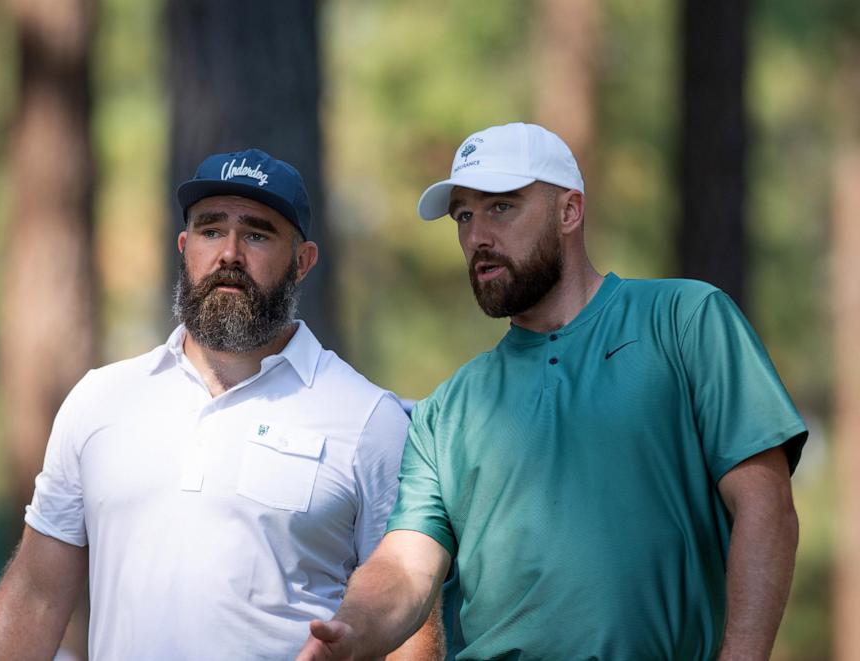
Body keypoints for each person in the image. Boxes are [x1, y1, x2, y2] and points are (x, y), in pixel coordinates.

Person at [299, 123, 808, 661]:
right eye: (464, 216)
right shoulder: (448, 409)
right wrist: (353, 631)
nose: (477, 237)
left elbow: (766, 506)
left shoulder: (685, 320)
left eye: (501, 207)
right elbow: (406, 566)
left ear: (569, 211)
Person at [0, 148, 440, 659]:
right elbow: (36, 594)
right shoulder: (100, 401)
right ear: (184, 246)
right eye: (211, 230)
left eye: (257, 234)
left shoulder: (368, 419)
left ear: (303, 262)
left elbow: (409, 621)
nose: (230, 254)